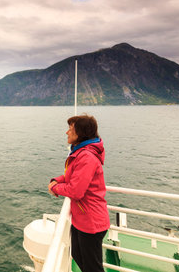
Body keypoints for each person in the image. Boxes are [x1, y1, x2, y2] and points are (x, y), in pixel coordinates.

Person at [48, 114, 110, 272]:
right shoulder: (81, 153)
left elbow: (75, 191)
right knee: (76, 254)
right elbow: (72, 176)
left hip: (91, 221)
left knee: (92, 268)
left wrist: (55, 188)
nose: (66, 132)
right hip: (81, 219)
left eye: (70, 129)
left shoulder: (86, 157)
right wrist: (56, 180)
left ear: (80, 133)